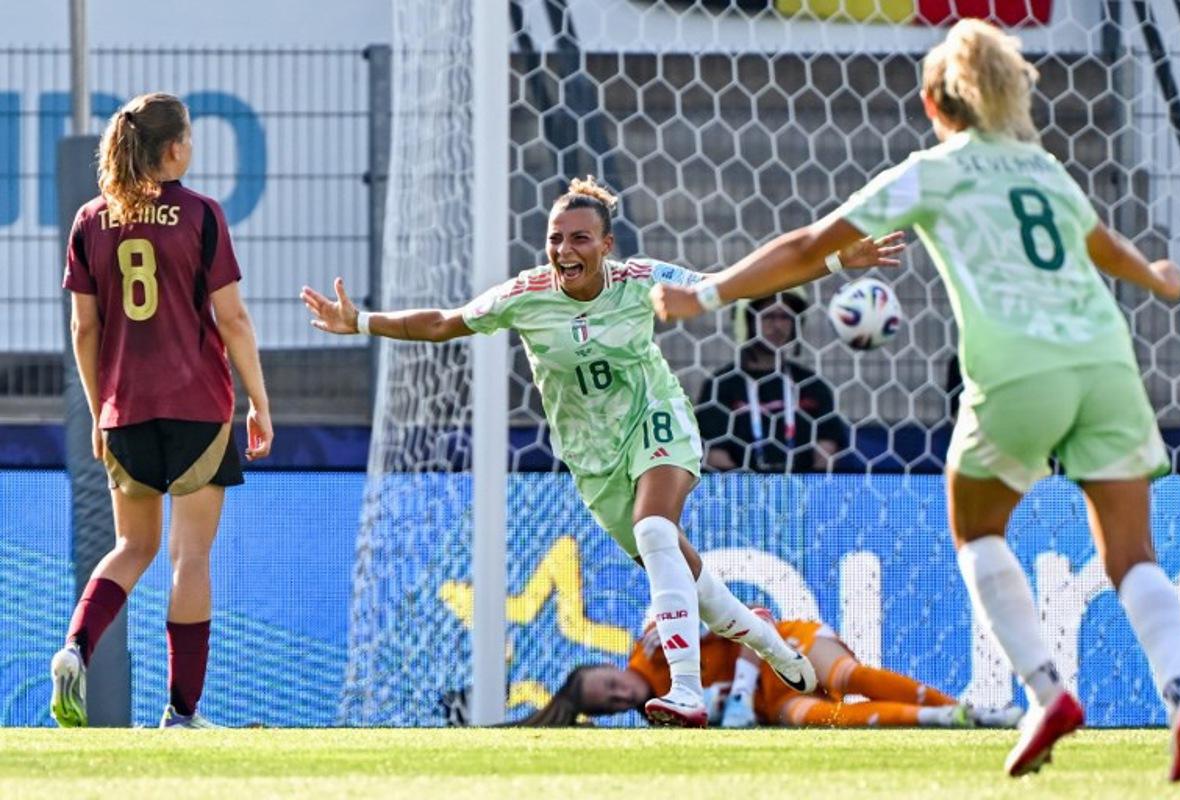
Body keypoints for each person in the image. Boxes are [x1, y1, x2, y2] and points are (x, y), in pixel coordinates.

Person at [650, 19, 1180, 780]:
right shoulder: (1043, 169)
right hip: (1106, 362)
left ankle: (1048, 694)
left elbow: (810, 244)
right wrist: (1162, 281)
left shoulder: (935, 169)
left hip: (1018, 367)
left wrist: (701, 294)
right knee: (1133, 555)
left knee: (976, 528)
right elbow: (1106, 248)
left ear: (932, 103)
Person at [302, 175, 899, 726]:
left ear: (606, 244)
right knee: (685, 577)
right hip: (592, 459)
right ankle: (766, 640)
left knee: (654, 527)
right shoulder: (525, 294)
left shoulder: (641, 281)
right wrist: (361, 322)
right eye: (555, 239)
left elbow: (734, 285)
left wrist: (830, 261)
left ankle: (686, 690)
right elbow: (442, 322)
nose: (565, 250)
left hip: (656, 419)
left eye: (580, 238)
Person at [53, 92, 273, 730]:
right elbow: (231, 317)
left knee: (131, 545)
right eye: (191, 139)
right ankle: (180, 712)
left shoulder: (91, 220)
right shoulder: (201, 214)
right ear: (174, 147)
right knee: (189, 557)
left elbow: (82, 328)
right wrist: (259, 402)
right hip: (198, 407)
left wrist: (99, 412)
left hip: (125, 409)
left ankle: (75, 648)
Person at [519, 609, 1020, 730]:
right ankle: (950, 720)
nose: (618, 694)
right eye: (608, 704)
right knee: (825, 720)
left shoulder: (655, 641)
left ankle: (966, 706)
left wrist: (734, 691)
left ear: (610, 664)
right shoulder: (664, 715)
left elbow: (756, 618)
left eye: (608, 683)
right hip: (772, 701)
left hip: (786, 648)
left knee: (847, 676)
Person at [697, 291, 846, 472]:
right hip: (742, 495)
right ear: (748, 321)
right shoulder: (721, 386)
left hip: (803, 494)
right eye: (768, 316)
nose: (777, 326)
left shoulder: (812, 386)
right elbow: (715, 455)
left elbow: (826, 454)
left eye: (785, 317)